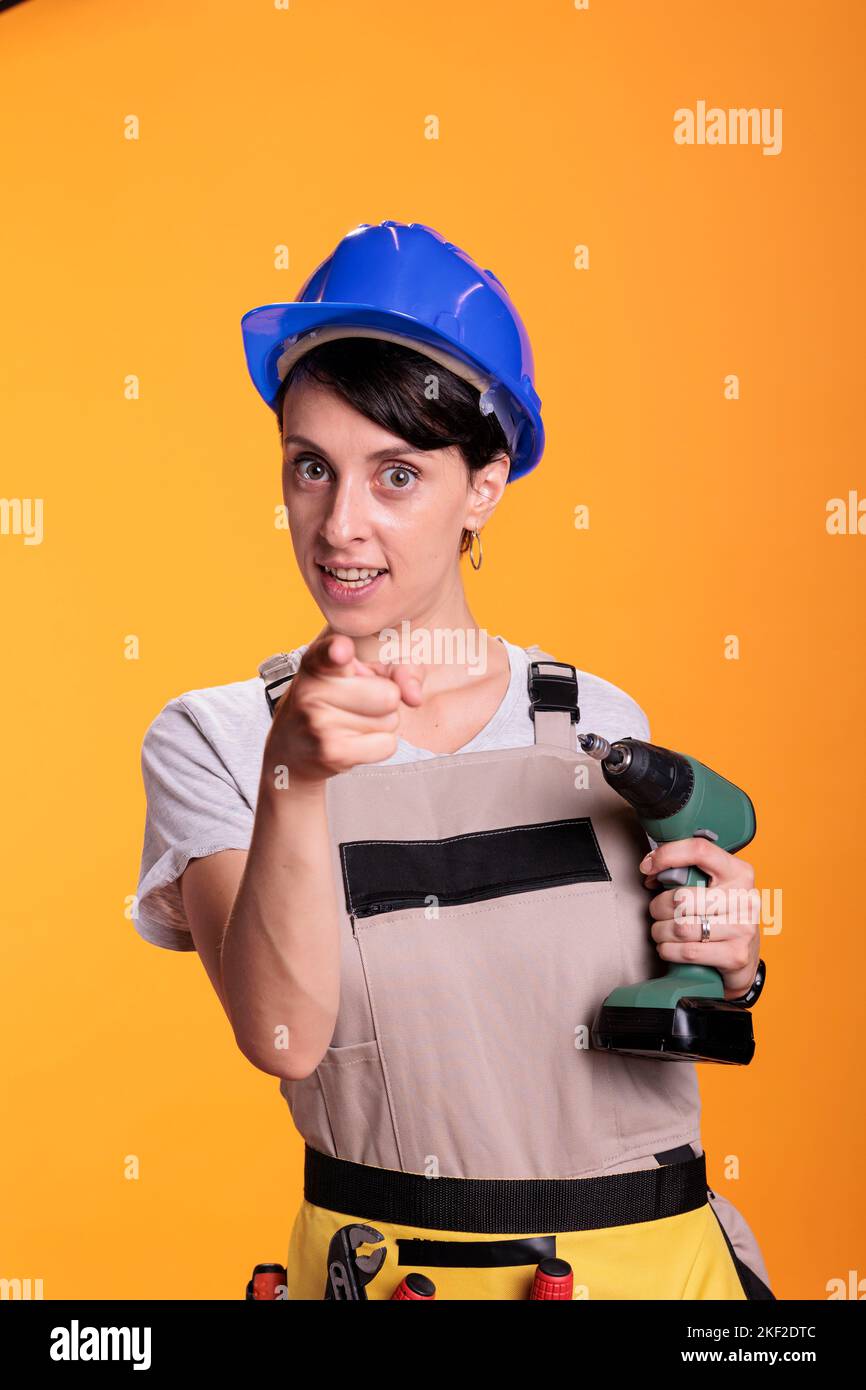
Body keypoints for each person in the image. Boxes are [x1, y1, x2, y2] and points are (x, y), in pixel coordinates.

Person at [134, 220, 773, 1300]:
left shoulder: (593, 721)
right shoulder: (220, 738)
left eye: (396, 475)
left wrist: (729, 956)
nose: (339, 525)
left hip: (659, 1274)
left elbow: (670, 1009)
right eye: (310, 469)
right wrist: (294, 779)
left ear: (482, 485)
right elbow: (282, 1035)